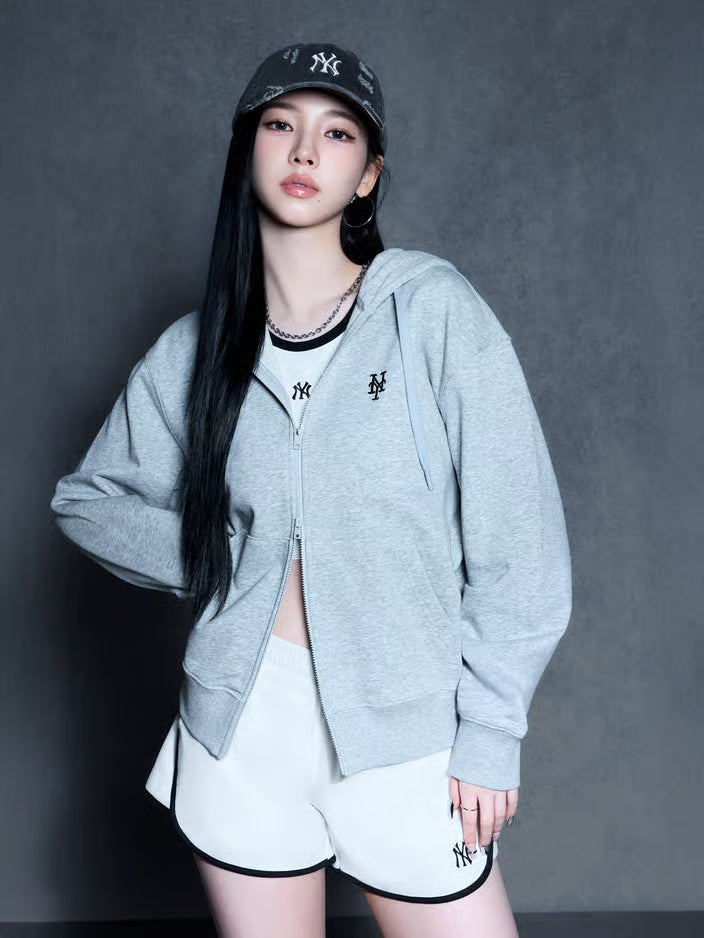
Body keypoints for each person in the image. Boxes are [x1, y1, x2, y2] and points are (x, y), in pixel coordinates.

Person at [50, 41, 572, 938]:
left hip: (405, 737)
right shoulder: (198, 351)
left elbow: (519, 544)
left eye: (336, 134)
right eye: (279, 125)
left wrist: (491, 733)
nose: (303, 150)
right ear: (247, 150)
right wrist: (218, 554)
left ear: (367, 176)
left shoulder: (430, 313)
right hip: (241, 735)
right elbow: (86, 501)